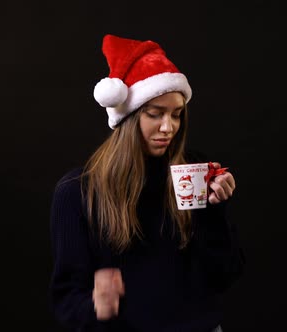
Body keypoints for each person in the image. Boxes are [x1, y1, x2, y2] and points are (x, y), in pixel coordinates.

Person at [48, 34, 245, 332]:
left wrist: (214, 212)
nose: (169, 127)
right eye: (155, 114)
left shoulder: (191, 172)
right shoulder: (77, 192)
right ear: (127, 118)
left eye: (177, 115)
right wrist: (96, 306)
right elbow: (66, 302)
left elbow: (222, 276)